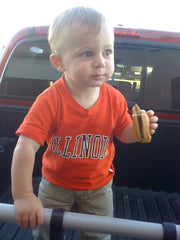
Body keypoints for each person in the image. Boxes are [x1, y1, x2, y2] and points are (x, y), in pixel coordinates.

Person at [11, 6, 158, 240]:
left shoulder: (114, 98)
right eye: (88, 54)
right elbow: (25, 146)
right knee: (46, 232)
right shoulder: (50, 100)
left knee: (98, 235)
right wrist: (24, 196)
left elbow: (123, 132)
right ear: (59, 62)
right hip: (55, 185)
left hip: (98, 188)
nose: (101, 62)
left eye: (107, 52)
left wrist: (139, 130)